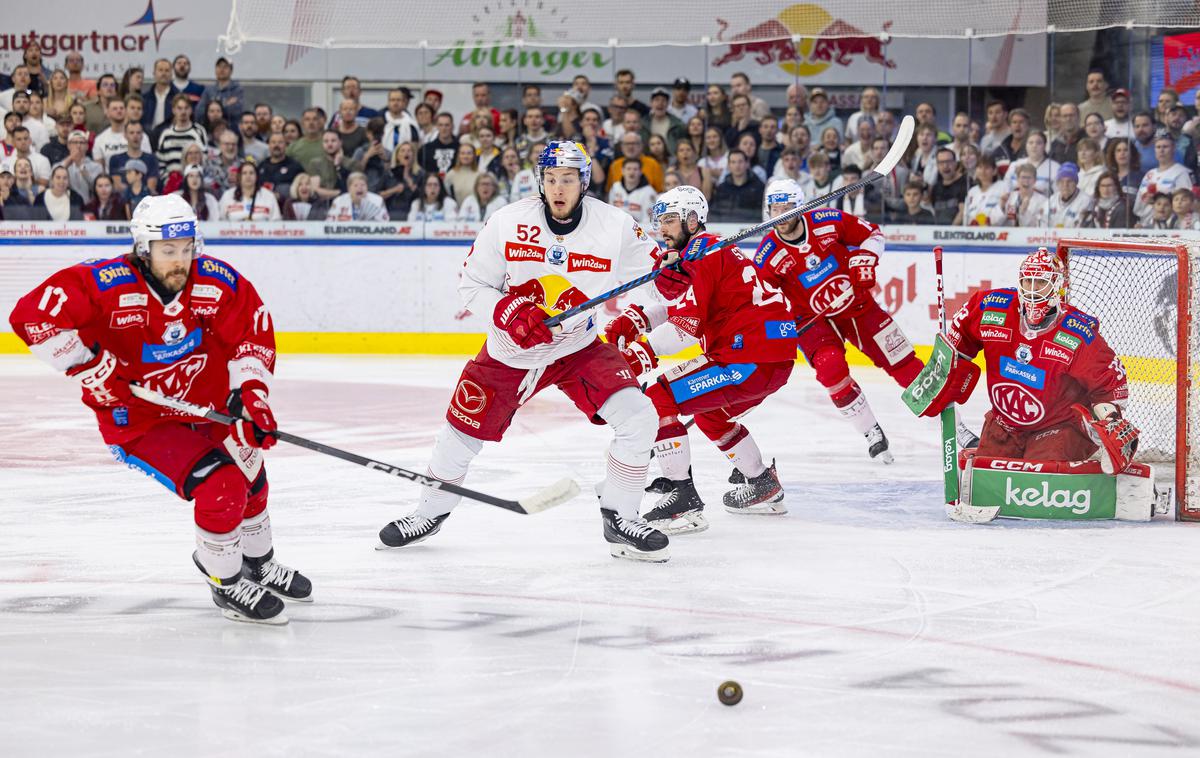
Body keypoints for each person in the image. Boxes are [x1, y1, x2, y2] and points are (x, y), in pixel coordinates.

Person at [8, 194, 310, 625]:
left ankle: (257, 564)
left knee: (252, 476)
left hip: (207, 410)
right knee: (221, 486)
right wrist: (86, 365)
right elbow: (30, 316)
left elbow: (249, 333)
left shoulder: (215, 282)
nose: (180, 260)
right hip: (140, 422)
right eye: (169, 250)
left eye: (187, 248)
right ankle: (225, 582)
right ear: (143, 248)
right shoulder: (104, 283)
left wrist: (251, 396)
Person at [378, 141, 670, 561]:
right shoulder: (508, 222)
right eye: (550, 179)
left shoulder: (616, 226)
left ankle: (621, 516)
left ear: (584, 182)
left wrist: (680, 270)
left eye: (568, 179)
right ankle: (429, 511)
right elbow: (471, 286)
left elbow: (659, 276)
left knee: (639, 417)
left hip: (577, 347)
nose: (558, 188)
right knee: (458, 436)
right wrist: (506, 309)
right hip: (510, 353)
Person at [605, 185, 798, 531]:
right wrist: (638, 319)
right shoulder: (707, 251)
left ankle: (683, 499)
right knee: (711, 416)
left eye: (668, 220)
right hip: (770, 357)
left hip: (746, 355)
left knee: (659, 397)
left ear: (692, 220)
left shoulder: (700, 254)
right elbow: (681, 303)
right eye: (658, 221)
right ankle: (762, 485)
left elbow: (685, 329)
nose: (660, 230)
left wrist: (639, 355)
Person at [916, 249, 1134, 474]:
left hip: (1057, 428)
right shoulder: (992, 307)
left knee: (1042, 476)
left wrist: (1111, 420)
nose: (1032, 290)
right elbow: (960, 339)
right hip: (1004, 425)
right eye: (1027, 281)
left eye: (1040, 282)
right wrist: (944, 369)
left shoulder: (1076, 332)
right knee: (986, 477)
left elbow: (1110, 383)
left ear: (1057, 285)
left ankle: (1083, 453)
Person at [752, 179, 922, 462]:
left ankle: (953, 424)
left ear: (800, 206)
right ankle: (870, 431)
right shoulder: (768, 255)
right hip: (812, 320)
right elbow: (764, 302)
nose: (781, 216)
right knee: (830, 368)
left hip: (857, 305)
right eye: (775, 209)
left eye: (787, 208)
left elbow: (874, 234)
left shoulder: (827, 220)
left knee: (903, 362)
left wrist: (866, 257)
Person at [1135, 134, 1194, 223]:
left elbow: (1186, 204)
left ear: (1173, 148)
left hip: (1170, 226)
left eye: (1165, 147)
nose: (1161, 150)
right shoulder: (1149, 174)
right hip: (1146, 224)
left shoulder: (1182, 173)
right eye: (1158, 147)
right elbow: (1138, 205)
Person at [709, 149, 764, 223]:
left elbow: (761, 213)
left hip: (751, 229)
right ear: (728, 165)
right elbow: (715, 213)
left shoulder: (758, 187)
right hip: (725, 229)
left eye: (740, 161)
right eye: (733, 162)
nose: (737, 165)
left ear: (747, 163)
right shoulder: (722, 188)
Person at [195, 57, 244, 125]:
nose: (222, 69)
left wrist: (212, 110)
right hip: (211, 130)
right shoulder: (209, 90)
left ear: (231, 71)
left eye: (225, 67)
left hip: (231, 130)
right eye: (219, 66)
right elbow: (199, 112)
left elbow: (236, 111)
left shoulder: (237, 90)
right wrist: (225, 105)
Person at [607, 157, 657, 222]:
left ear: (640, 172)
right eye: (628, 169)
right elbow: (610, 211)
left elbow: (648, 220)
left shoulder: (649, 192)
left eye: (635, 169)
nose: (632, 172)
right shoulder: (615, 187)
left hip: (638, 229)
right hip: (616, 226)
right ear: (622, 171)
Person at [963, 154, 1007, 226]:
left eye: (987, 168)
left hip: (997, 231)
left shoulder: (1003, 186)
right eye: (980, 167)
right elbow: (966, 217)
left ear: (995, 171)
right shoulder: (972, 191)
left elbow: (1005, 213)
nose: (983, 171)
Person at [258, 132, 304, 200]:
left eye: (280, 142)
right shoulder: (261, 166)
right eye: (273, 142)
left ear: (286, 145)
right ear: (268, 145)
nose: (276, 145)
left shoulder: (295, 166)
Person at [1048, 162, 1094, 227]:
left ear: (1076, 183)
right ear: (1057, 183)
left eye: (1069, 181)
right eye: (1061, 181)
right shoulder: (1052, 200)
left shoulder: (1086, 201)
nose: (1065, 185)